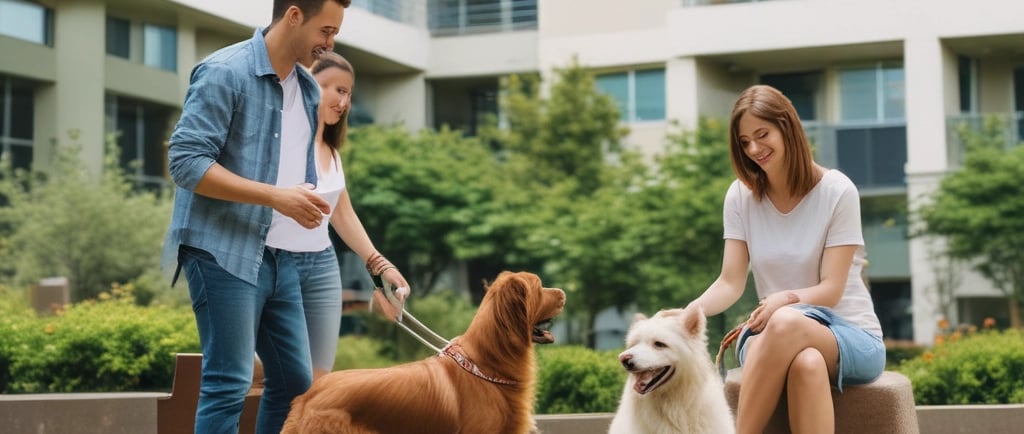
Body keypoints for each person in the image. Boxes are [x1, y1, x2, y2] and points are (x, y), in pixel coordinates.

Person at [162, 1, 350, 432]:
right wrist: (276, 197)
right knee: (228, 382)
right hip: (220, 249)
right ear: (294, 16)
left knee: (295, 381)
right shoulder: (224, 72)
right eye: (325, 31)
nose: (330, 44)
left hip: (278, 254)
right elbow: (186, 163)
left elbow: (293, 175)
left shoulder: (306, 88)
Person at [688, 85, 885, 434]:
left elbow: (831, 290)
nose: (754, 149)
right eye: (745, 142)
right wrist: (688, 313)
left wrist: (784, 300)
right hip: (770, 336)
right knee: (806, 363)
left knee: (786, 322)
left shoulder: (838, 191)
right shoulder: (740, 196)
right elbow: (730, 282)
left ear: (787, 127)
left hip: (848, 333)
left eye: (762, 134)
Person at [281, 51, 409, 381]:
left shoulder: (332, 151)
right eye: (337, 89)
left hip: (321, 266)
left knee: (319, 377)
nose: (344, 101)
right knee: (281, 373)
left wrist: (380, 265)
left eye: (349, 93)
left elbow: (342, 212)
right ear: (308, 83)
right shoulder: (281, 142)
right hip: (277, 263)